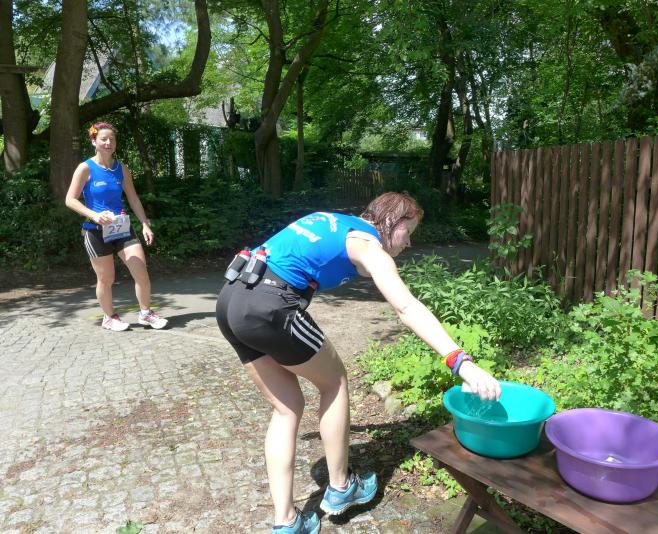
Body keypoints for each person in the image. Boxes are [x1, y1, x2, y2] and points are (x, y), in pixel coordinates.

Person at [215, 192, 501, 534]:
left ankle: (286, 522)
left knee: (286, 408)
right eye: (409, 231)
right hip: (269, 306)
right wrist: (460, 362)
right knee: (334, 382)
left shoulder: (337, 222)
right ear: (392, 221)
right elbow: (407, 308)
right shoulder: (368, 245)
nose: (409, 242)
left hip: (231, 299)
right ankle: (341, 487)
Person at [65, 122, 168, 332]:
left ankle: (146, 313)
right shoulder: (85, 168)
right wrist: (94, 215)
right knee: (106, 278)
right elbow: (70, 200)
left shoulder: (122, 169)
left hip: (122, 228)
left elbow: (133, 198)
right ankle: (109, 317)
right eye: (103, 139)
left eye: (112, 139)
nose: (108, 143)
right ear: (94, 141)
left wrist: (145, 224)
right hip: (95, 231)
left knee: (140, 270)